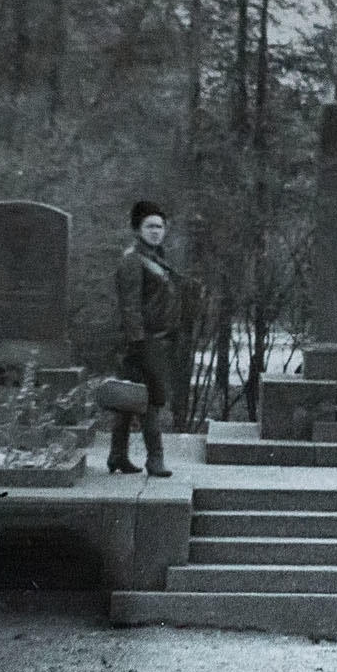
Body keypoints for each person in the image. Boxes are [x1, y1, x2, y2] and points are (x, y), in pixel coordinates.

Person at [110, 200, 180, 477]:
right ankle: (155, 459)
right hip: (141, 340)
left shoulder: (155, 258)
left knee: (130, 399)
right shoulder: (133, 259)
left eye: (160, 226)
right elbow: (130, 305)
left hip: (155, 339)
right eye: (149, 226)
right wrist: (136, 342)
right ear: (137, 229)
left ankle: (117, 455)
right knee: (150, 399)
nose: (156, 231)